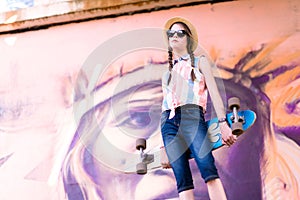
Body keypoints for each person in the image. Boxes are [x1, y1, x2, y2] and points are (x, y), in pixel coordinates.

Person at [159, 16, 237, 200]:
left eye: (180, 33)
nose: (175, 36)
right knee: (181, 178)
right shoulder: (167, 73)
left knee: (206, 165)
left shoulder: (199, 62)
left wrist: (223, 123)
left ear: (189, 39)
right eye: (171, 33)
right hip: (168, 124)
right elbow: (164, 107)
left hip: (192, 115)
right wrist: (163, 147)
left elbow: (215, 94)